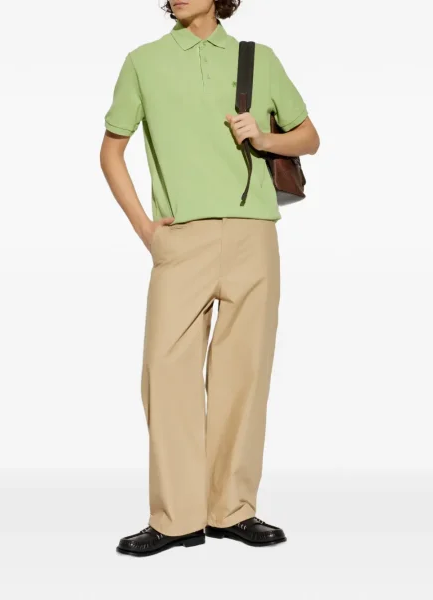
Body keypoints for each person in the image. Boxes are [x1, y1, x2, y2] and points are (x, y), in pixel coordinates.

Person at [100, 0, 320, 558]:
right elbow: (111, 152)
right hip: (181, 239)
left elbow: (309, 137)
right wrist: (145, 229)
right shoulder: (143, 61)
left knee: (243, 375)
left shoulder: (258, 59)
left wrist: (264, 138)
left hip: (253, 236)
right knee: (164, 372)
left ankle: (232, 510)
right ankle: (176, 517)